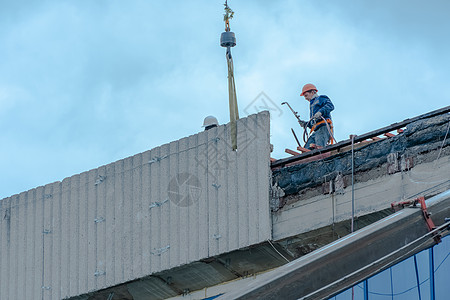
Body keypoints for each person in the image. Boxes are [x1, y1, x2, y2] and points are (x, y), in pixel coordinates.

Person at [300, 83, 334, 149]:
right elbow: (313, 122)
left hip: (323, 128)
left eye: (306, 95)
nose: (305, 98)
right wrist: (305, 124)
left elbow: (330, 106)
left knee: (319, 148)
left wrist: (320, 112)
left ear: (312, 92)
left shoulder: (321, 98)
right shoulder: (312, 106)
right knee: (307, 148)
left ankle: (321, 158)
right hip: (316, 130)